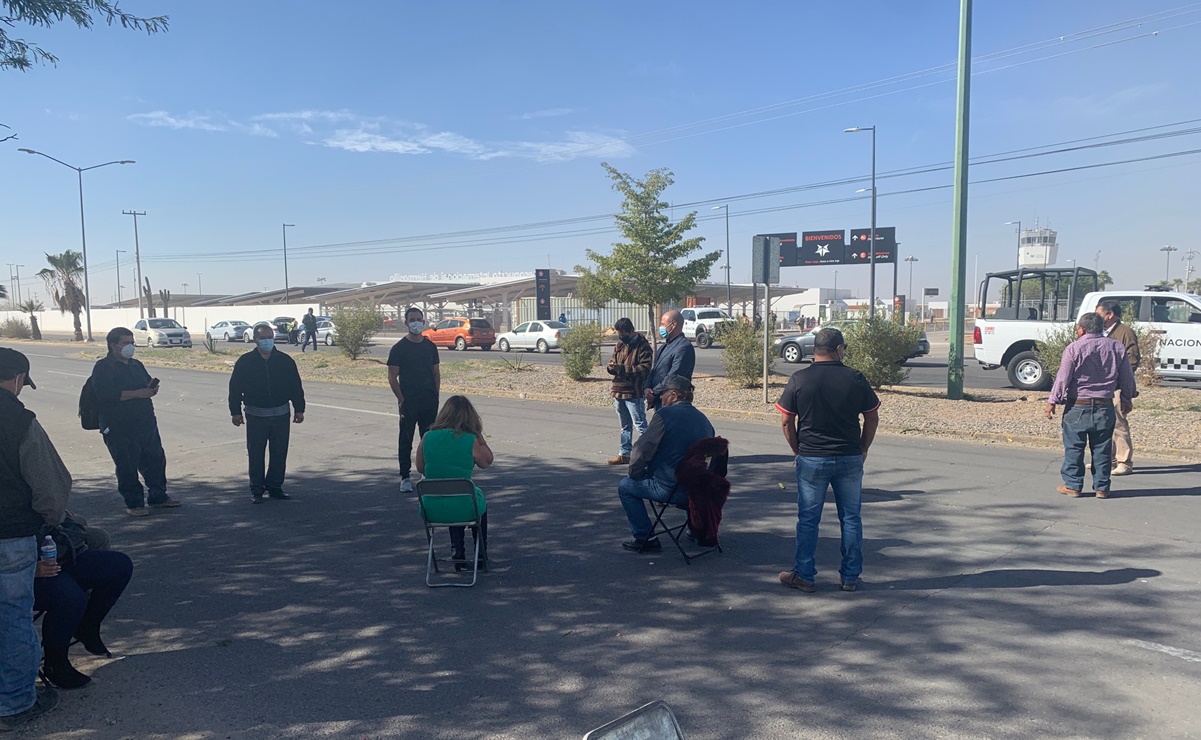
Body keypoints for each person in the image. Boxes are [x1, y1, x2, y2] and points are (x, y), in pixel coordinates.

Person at [776, 328, 879, 593]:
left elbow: (787, 420)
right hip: (849, 456)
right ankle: (850, 576)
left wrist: (797, 449)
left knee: (809, 519)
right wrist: (863, 447)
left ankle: (805, 575)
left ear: (814, 349)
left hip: (812, 456)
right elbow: (872, 416)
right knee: (851, 518)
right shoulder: (855, 378)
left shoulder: (799, 379)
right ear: (840, 349)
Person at [0, 347, 63, 729]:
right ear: (19, 379)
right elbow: (50, 488)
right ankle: (15, 703)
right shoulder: (20, 421)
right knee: (12, 620)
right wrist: (51, 521)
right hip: (10, 537)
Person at [34, 513, 133, 690]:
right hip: (15, 573)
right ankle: (55, 664)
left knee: (119, 565)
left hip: (46, 551)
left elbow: (52, 509)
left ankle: (87, 625)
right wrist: (28, 569)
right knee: (70, 597)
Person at [618, 376, 715, 553]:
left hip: (670, 489)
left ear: (674, 395)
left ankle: (645, 538)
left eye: (662, 394)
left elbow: (641, 449)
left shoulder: (664, 415)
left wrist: (634, 473)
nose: (660, 398)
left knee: (625, 486)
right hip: (698, 490)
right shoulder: (704, 420)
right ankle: (696, 529)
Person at [1045, 312, 1137, 499]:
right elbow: (1127, 377)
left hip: (1078, 405)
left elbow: (1063, 378)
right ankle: (1102, 487)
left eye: (1078, 328)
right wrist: (1127, 398)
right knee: (1102, 448)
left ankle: (1073, 485)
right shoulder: (1116, 347)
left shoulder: (1074, 348)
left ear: (1082, 329)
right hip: (1105, 406)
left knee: (1074, 447)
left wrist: (1052, 400)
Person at [90, 328, 180, 517]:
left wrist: (150, 389)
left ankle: (158, 497)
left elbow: (146, 383)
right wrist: (136, 394)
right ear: (113, 345)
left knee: (155, 460)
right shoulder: (103, 367)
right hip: (119, 426)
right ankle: (134, 503)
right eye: (125, 343)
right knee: (127, 465)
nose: (130, 346)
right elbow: (104, 395)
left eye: (132, 342)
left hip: (145, 422)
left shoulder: (136, 365)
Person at [229, 324, 307, 503]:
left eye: (269, 337)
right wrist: (235, 412)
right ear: (256, 340)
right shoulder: (245, 362)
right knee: (256, 453)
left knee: (279, 452)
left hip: (281, 413)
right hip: (256, 415)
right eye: (263, 338)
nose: (267, 341)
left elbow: (295, 386)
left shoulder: (285, 360)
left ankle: (275, 486)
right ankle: (256, 489)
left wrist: (299, 408)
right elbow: (235, 388)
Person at [415, 396, 493, 570]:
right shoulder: (470, 439)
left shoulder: (427, 437)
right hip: (463, 504)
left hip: (432, 508)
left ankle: (457, 551)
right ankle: (481, 553)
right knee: (472, 499)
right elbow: (487, 462)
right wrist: (479, 436)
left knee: (450, 494)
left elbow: (420, 468)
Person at [388, 307, 440, 493]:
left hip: (428, 401)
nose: (416, 322)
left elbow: (436, 372)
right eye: (412, 319)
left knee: (428, 439)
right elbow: (392, 377)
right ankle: (405, 477)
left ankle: (426, 474)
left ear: (424, 321)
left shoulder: (430, 346)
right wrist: (401, 399)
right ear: (406, 322)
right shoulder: (398, 348)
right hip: (409, 402)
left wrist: (436, 394)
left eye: (419, 319)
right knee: (406, 439)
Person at [1096, 300, 1140, 476]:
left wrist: (1118, 377)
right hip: (1103, 386)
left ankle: (1124, 462)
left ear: (1110, 314)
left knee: (1119, 423)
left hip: (1118, 386)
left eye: (1099, 313)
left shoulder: (1124, 333)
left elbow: (1132, 360)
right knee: (1104, 423)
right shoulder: (1101, 333)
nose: (1096, 317)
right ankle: (1107, 459)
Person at [606, 318, 653, 465]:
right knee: (625, 426)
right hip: (618, 391)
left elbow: (644, 369)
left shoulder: (643, 346)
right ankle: (624, 453)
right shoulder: (620, 345)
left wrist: (622, 369)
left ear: (632, 331)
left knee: (640, 425)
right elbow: (614, 362)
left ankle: (649, 455)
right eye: (619, 334)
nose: (621, 337)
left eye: (623, 334)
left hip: (633, 393)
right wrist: (611, 368)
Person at [643, 309, 696, 410]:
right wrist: (647, 388)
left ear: (673, 324)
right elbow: (654, 370)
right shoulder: (664, 346)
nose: (661, 327)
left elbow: (674, 375)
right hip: (659, 399)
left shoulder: (684, 347)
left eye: (663, 324)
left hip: (673, 402)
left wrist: (654, 392)